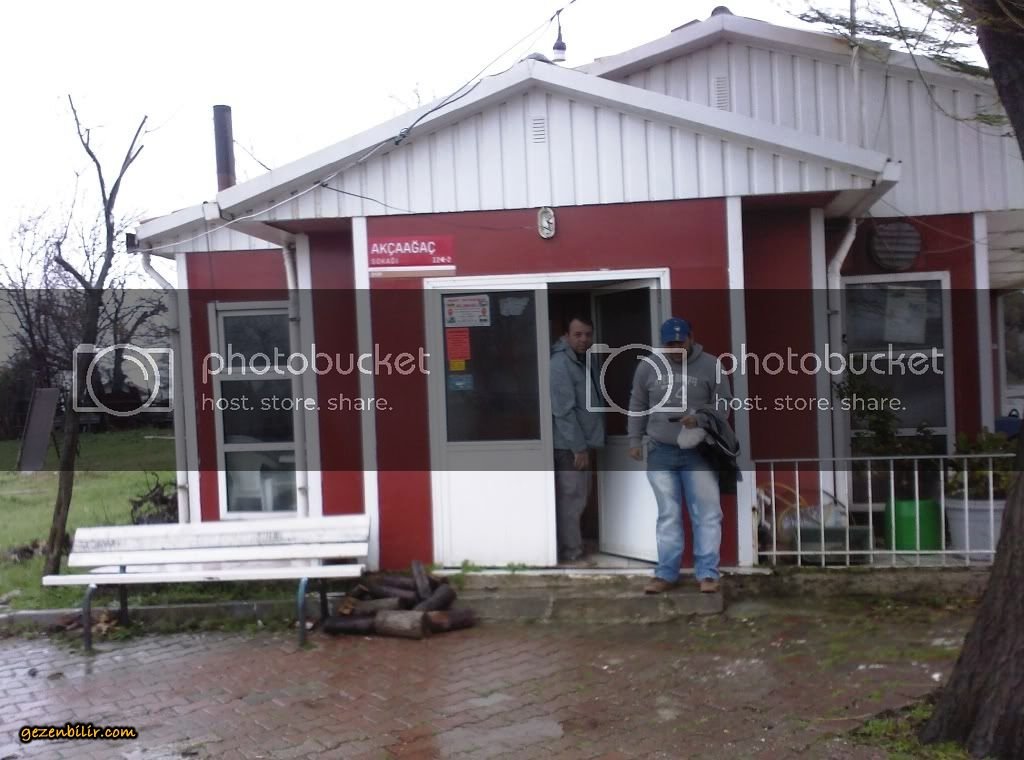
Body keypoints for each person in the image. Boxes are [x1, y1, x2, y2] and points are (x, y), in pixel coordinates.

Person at [628, 317, 732, 594]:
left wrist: (700, 419)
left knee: (707, 514)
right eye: (670, 344)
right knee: (668, 515)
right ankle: (665, 574)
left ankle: (707, 573)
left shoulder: (711, 365)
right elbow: (637, 403)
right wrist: (634, 439)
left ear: (691, 338)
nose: (676, 348)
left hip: (699, 452)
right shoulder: (648, 367)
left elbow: (724, 406)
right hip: (660, 451)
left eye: (680, 342)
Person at [550, 315, 606, 564]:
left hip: (581, 444)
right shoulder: (560, 363)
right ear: (566, 336)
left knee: (579, 498)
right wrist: (579, 448)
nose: (584, 339)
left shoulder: (582, 360)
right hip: (569, 447)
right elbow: (563, 410)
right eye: (578, 334)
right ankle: (570, 551)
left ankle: (574, 546)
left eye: (587, 334)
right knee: (571, 500)